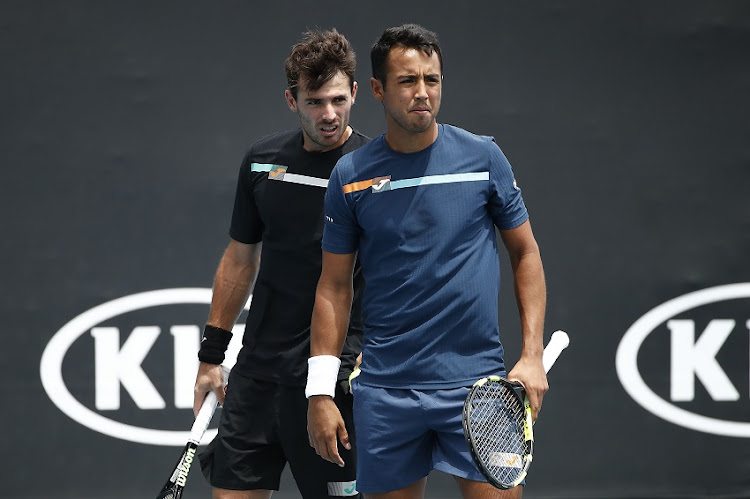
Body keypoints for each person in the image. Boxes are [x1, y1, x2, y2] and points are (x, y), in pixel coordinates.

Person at [306, 24, 547, 499]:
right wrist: (319, 390)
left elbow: (526, 252)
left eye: (432, 80)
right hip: (386, 393)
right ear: (376, 89)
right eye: (407, 81)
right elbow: (334, 286)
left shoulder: (484, 158)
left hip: (478, 388)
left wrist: (533, 355)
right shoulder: (350, 176)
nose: (422, 93)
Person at [193, 29, 369, 499]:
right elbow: (240, 259)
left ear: (354, 92)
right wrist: (211, 357)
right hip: (256, 374)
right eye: (314, 102)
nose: (329, 115)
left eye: (337, 99)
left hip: (331, 382)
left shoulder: (377, 171)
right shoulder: (261, 162)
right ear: (291, 100)